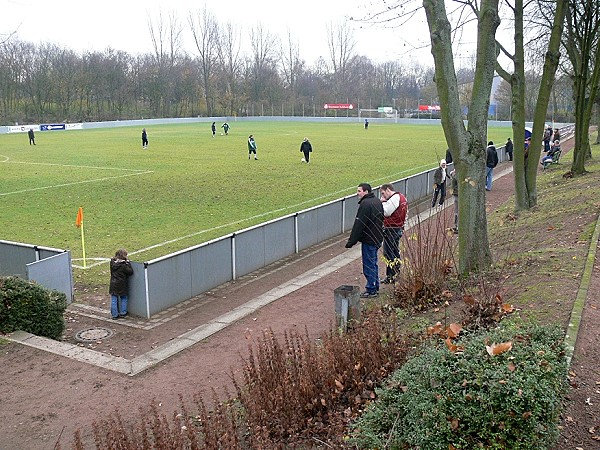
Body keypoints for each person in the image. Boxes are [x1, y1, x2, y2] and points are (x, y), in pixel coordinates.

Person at [345, 183, 384, 298]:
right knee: (374, 263)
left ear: (366, 192)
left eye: (359, 191)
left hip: (369, 239)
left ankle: (371, 289)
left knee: (369, 265)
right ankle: (375, 286)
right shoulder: (377, 201)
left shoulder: (365, 204)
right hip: (377, 237)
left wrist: (351, 241)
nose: (357, 193)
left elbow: (359, 224)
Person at [379, 183, 408, 284]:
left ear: (388, 190)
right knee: (395, 251)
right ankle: (396, 272)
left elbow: (386, 212)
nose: (383, 197)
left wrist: (382, 203)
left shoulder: (394, 198)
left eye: (383, 194)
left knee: (388, 252)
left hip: (392, 229)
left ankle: (391, 275)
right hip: (397, 228)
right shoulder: (402, 197)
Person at [109, 248, 134, 319]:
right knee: (124, 297)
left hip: (113, 283)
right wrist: (128, 263)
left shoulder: (112, 262)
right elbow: (130, 272)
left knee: (114, 298)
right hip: (122, 284)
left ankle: (114, 315)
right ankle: (123, 312)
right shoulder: (123, 265)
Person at [450, 169, 459, 234]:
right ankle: (456, 226)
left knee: (457, 211)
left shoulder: (455, 176)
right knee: (456, 211)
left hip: (457, 194)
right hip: (457, 194)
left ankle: (457, 226)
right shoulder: (456, 175)